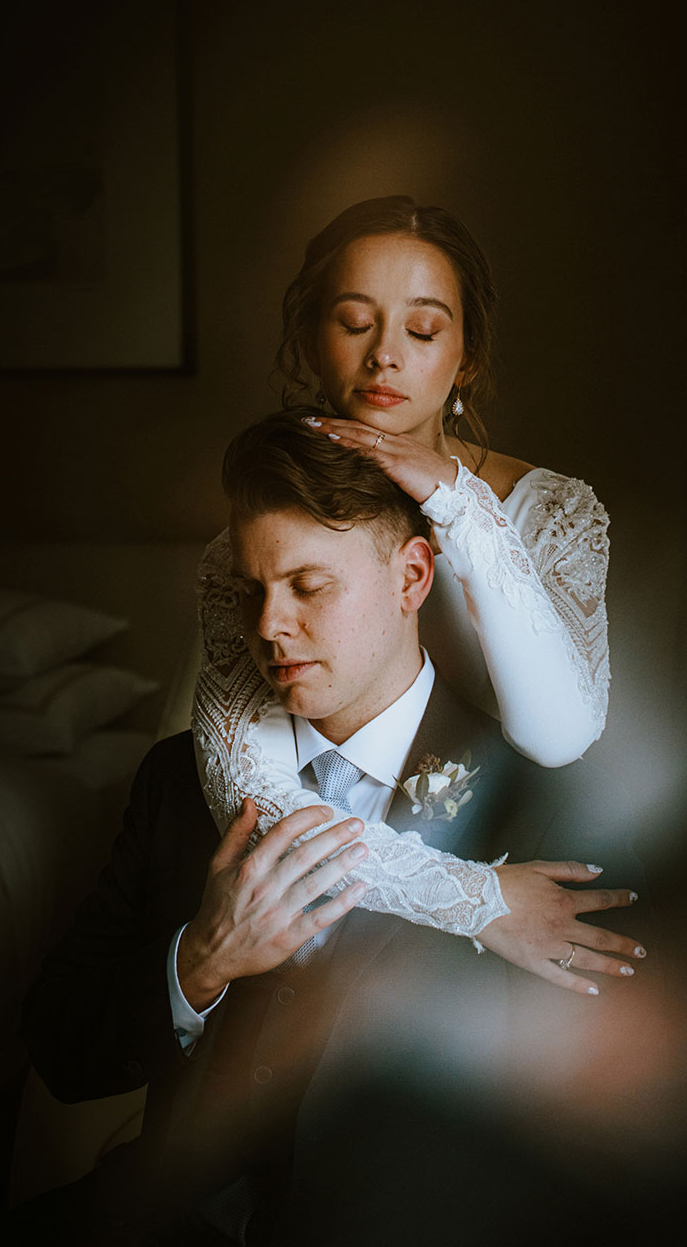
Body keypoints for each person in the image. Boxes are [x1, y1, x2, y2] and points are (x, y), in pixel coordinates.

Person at [12, 415, 646, 1246]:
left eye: (309, 586)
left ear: (412, 575)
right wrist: (198, 961)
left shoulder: (539, 805)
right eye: (251, 590)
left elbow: (598, 1129)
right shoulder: (179, 778)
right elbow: (62, 1048)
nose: (269, 625)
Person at [194, 196, 613, 977]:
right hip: (345, 830)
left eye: (422, 330)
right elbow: (252, 793)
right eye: (354, 323)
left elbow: (559, 737)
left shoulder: (550, 513)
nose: (385, 355)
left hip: (505, 818)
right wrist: (480, 902)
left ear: (468, 358)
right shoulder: (253, 548)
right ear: (309, 344)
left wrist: (459, 504)